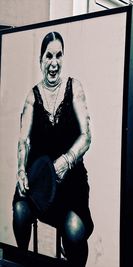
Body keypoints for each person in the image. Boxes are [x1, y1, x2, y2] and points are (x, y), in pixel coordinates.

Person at [13, 32, 93, 266]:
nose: (54, 62)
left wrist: (67, 160)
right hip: (39, 179)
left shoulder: (74, 88)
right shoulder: (32, 96)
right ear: (41, 59)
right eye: (49, 56)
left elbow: (86, 136)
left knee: (74, 229)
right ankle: (22, 259)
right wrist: (20, 170)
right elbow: (23, 141)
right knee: (20, 211)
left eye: (58, 55)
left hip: (71, 181)